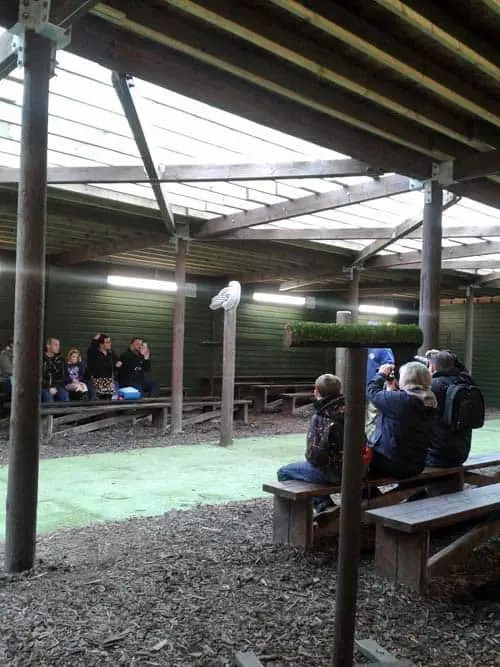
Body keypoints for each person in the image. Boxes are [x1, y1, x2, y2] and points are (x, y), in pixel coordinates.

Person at [277, 373, 345, 515]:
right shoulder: (352, 410)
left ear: (316, 392)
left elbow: (314, 456)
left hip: (334, 473)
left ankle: (322, 504)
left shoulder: (321, 416)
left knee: (283, 472)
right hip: (357, 469)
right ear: (339, 391)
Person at [367, 361, 437, 478]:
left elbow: (372, 392)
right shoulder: (430, 399)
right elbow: (402, 407)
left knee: (356, 469)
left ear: (406, 378)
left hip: (390, 465)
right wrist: (392, 388)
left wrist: (381, 375)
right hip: (417, 463)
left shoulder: (401, 400)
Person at [426, 350, 475, 467]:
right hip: (462, 452)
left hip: (437, 455)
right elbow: (464, 371)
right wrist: (449, 356)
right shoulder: (466, 382)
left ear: (432, 367)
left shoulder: (433, 387)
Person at [86, 333, 122, 399]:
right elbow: (90, 350)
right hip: (96, 381)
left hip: (109, 381)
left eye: (110, 342)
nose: (110, 344)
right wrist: (94, 340)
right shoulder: (94, 353)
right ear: (101, 344)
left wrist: (118, 364)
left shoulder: (110, 353)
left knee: (114, 398)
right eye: (107, 342)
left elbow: (116, 363)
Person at [42, 337, 69, 402]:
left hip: (57, 386)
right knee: (48, 397)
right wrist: (48, 387)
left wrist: (54, 387)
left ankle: (64, 412)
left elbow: (63, 376)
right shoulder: (40, 358)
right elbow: (37, 377)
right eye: (55, 345)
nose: (58, 347)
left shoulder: (60, 360)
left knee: (64, 396)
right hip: (42, 387)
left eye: (58, 345)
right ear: (48, 345)